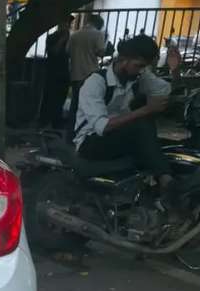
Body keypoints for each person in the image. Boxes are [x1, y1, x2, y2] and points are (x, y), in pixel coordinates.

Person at [74, 35, 180, 190]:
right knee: (142, 124)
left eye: (144, 66)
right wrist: (146, 109)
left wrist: (175, 70)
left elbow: (164, 91)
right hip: (90, 142)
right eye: (138, 65)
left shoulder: (137, 76)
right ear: (124, 60)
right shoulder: (95, 83)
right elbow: (102, 127)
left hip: (119, 136)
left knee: (161, 142)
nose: (141, 70)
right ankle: (166, 180)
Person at [66, 14, 107, 129]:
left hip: (75, 73)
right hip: (90, 73)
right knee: (89, 104)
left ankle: (70, 130)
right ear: (99, 24)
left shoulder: (75, 35)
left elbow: (67, 51)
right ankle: (84, 130)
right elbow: (101, 53)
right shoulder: (98, 34)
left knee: (75, 103)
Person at [40, 15, 73, 129]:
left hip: (64, 71)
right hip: (53, 70)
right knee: (49, 96)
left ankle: (56, 120)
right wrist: (62, 40)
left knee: (61, 97)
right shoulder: (52, 37)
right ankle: (44, 120)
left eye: (69, 24)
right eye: (66, 23)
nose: (67, 26)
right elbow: (53, 52)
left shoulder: (70, 38)